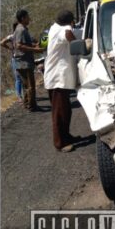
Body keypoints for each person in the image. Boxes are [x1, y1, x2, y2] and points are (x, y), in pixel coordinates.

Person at [44, 10, 80, 153]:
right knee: (59, 112)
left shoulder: (54, 27)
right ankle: (60, 142)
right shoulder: (64, 30)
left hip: (56, 76)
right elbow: (69, 35)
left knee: (65, 110)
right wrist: (80, 44)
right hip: (57, 78)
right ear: (70, 22)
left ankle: (66, 136)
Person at [12, 9, 44, 111]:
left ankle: (27, 105)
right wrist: (35, 49)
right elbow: (19, 45)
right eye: (27, 17)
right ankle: (32, 106)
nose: (29, 19)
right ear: (23, 18)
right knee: (30, 86)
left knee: (27, 85)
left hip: (22, 62)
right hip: (24, 63)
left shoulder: (21, 29)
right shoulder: (21, 29)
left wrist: (36, 45)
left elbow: (25, 44)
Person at [0, 27, 23, 101]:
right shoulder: (11, 36)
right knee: (18, 77)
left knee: (22, 77)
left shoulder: (24, 34)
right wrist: (10, 48)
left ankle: (24, 95)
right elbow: (2, 43)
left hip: (23, 58)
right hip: (16, 59)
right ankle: (19, 96)